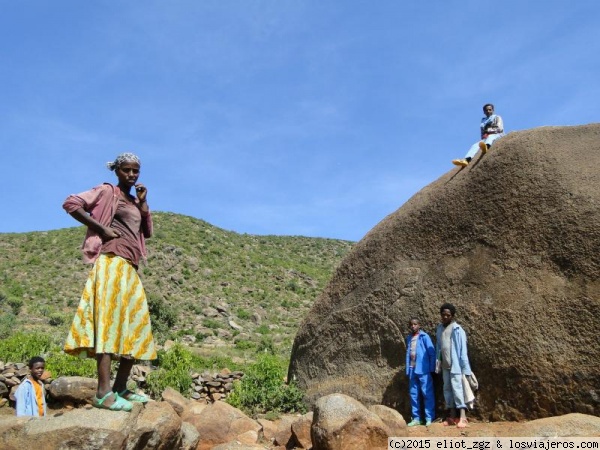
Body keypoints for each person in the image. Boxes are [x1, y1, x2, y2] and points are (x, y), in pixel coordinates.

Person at [62, 152, 157, 412]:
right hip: (111, 262)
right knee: (108, 323)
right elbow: (71, 204)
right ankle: (103, 393)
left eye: (136, 170)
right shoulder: (107, 191)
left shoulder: (134, 200)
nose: (132, 175)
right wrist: (102, 229)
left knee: (136, 327)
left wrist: (143, 203)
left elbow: (146, 232)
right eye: (127, 170)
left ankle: (120, 387)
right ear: (117, 171)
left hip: (130, 267)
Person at [435, 303, 472, 428]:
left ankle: (463, 417)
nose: (445, 317)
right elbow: (439, 348)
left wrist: (466, 369)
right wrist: (438, 364)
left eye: (448, 315)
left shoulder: (457, 329)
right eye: (443, 315)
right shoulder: (440, 328)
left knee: (458, 389)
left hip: (456, 366)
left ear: (452, 316)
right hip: (445, 366)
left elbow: (463, 351)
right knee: (447, 389)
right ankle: (452, 416)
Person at [405, 318, 436, 427]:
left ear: (419, 325)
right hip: (412, 369)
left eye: (415, 324)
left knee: (427, 393)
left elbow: (432, 353)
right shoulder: (409, 338)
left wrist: (432, 368)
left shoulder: (424, 337)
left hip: (423, 370)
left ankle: (429, 417)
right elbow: (409, 353)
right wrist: (407, 370)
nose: (413, 326)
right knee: (414, 394)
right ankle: (416, 418)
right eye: (411, 325)